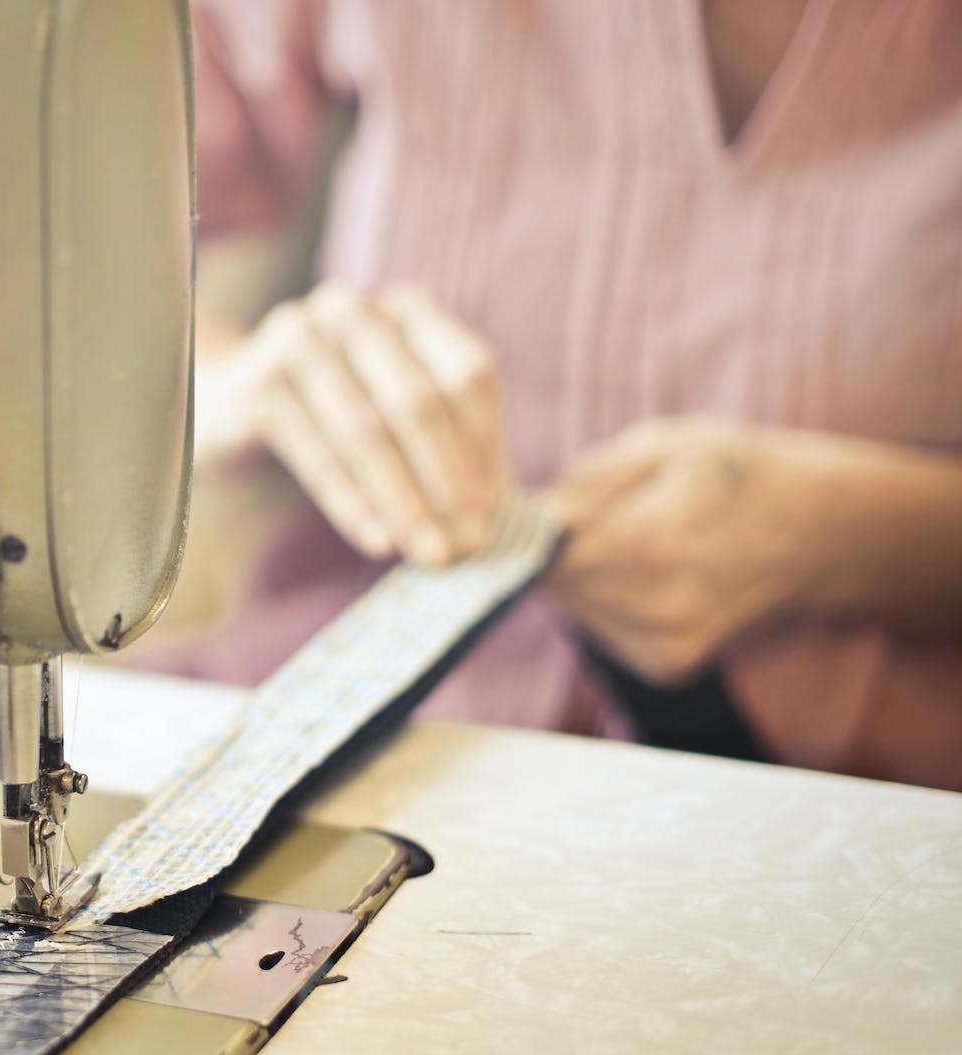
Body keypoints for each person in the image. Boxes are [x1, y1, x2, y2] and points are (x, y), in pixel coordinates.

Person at [179, 0, 962, 790]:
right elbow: (71, 273)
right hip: (328, 730)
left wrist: (844, 533)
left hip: (868, 796)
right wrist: (226, 386)